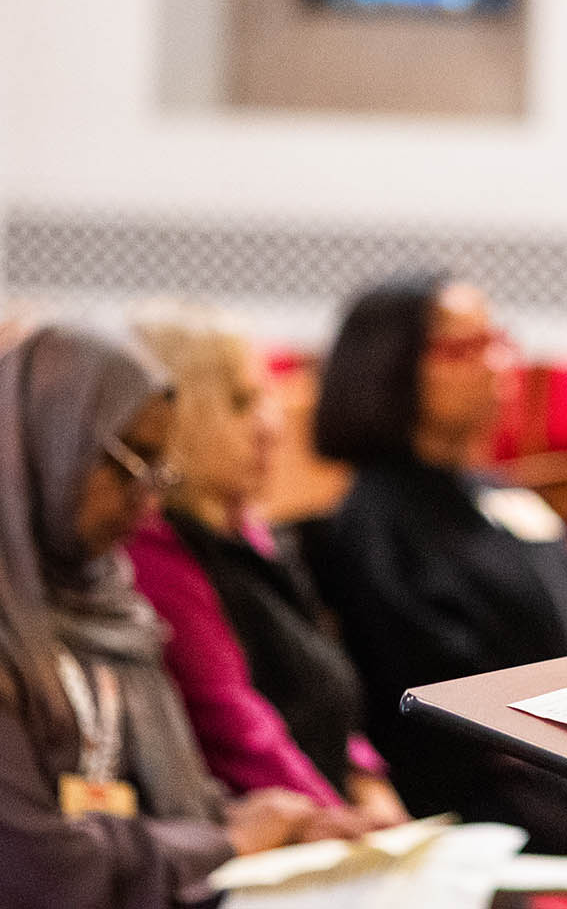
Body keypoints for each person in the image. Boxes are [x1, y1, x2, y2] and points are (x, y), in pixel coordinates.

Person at [0, 325, 334, 909]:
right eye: (127, 465)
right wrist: (228, 843)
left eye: (157, 472)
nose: (147, 503)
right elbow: (37, 880)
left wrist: (273, 823)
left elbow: (152, 800)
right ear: (43, 447)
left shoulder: (99, 603)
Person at [302, 273, 567, 840]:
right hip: (496, 793)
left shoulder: (492, 491)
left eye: (497, 340)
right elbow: (445, 705)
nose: (497, 363)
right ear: (392, 370)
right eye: (465, 348)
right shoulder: (374, 523)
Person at [123, 304, 407, 833]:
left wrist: (371, 786)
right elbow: (237, 733)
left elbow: (327, 690)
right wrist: (347, 827)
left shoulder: (256, 534)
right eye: (240, 403)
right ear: (179, 420)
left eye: (265, 397)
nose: (271, 426)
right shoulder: (157, 557)